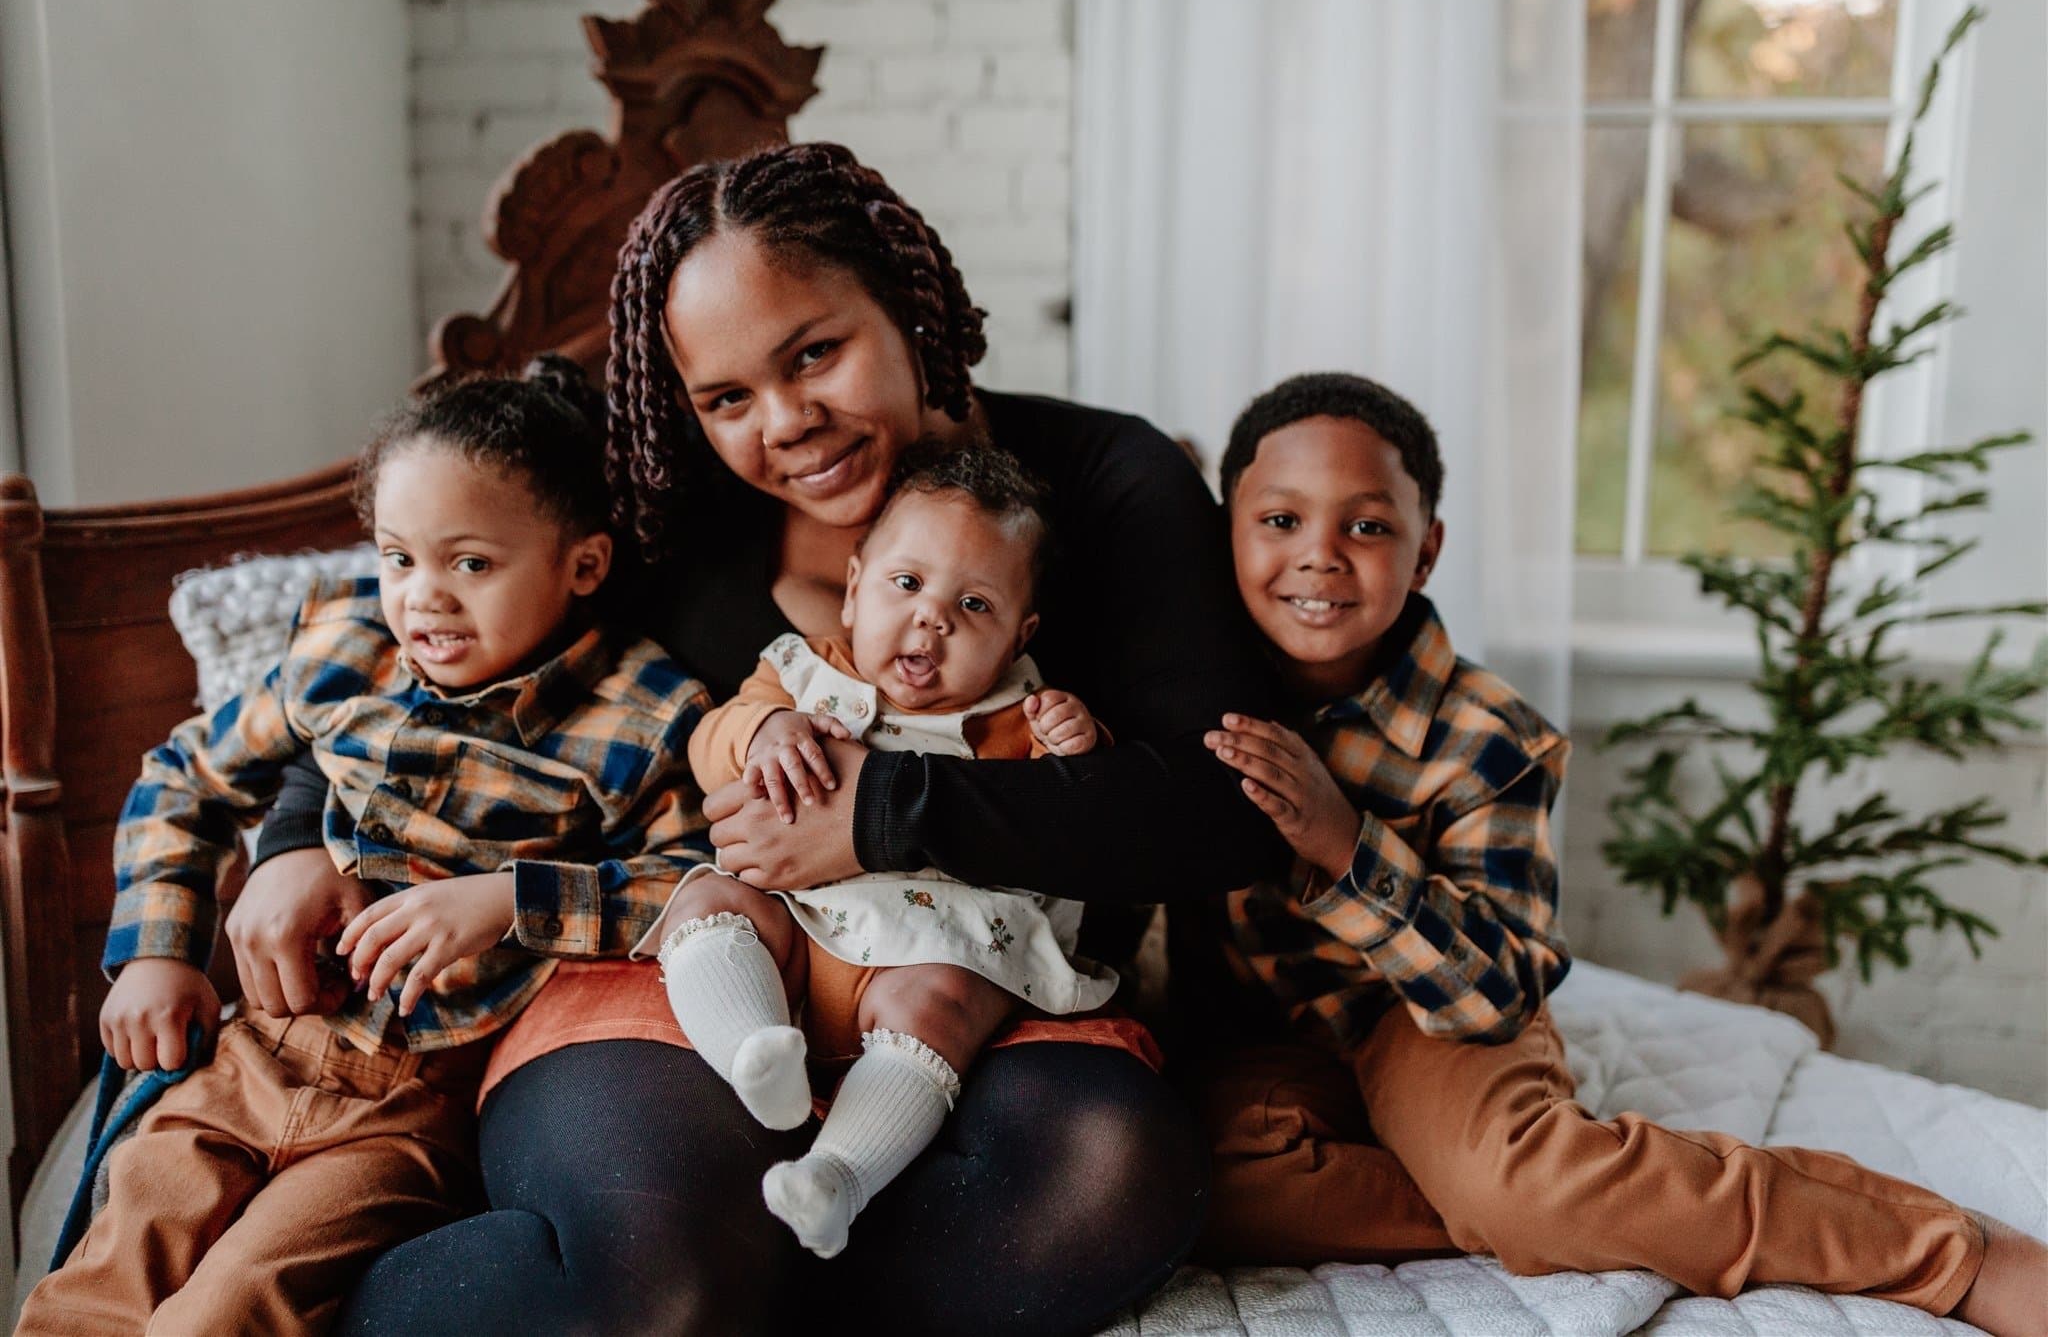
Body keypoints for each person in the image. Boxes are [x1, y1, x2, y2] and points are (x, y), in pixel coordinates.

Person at [222, 142, 1281, 1336]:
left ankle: (768, 1254)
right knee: (651, 1279)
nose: (787, 425)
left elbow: (1220, 809)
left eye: (815, 354)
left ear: (907, 300)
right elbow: (424, 633)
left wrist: (879, 811)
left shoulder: (1100, 486)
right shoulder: (664, 508)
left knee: (1103, 1183)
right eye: (726, 398)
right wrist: (298, 830)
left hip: (974, 979)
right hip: (682, 953)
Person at [1190, 370, 2048, 1336]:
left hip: (1432, 1017)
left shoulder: (1487, 734)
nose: (1320, 557)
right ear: (1224, 534)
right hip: (1273, 1039)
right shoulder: (1189, 692)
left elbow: (1500, 993)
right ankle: (1549, 1207)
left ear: (1426, 550)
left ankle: (1950, 1251)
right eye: (1280, 522)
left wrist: (1346, 846)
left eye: (1367, 527)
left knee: (1520, 1179)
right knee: (1189, 1191)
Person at [17, 360, 709, 1335]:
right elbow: (188, 776)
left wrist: (511, 899)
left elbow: (695, 890)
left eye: (469, 563)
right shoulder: (347, 648)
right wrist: (157, 954)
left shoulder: (640, 716)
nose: (423, 598)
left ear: (581, 565)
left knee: (231, 1307)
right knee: (101, 1283)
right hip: (256, 1049)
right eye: (397, 558)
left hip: (415, 1102)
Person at [656, 443, 1118, 1259]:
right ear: (856, 581)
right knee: (706, 902)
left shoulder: (1022, 714)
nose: (931, 617)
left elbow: (1083, 820)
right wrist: (762, 728)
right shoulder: (799, 672)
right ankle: (752, 1054)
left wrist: (1078, 747)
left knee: (941, 1001)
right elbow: (707, 742)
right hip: (791, 940)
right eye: (907, 584)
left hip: (920, 959)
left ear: (1021, 635)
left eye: (975, 605)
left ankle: (836, 1177)